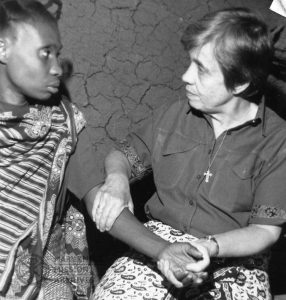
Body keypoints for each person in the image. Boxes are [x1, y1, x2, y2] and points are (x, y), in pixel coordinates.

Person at [90, 7, 286, 300]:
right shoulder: (174, 113)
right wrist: (116, 179)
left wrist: (208, 246)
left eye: (201, 69)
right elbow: (123, 155)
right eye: (189, 64)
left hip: (233, 260)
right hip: (158, 243)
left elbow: (265, 231)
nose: (185, 76)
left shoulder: (277, 140)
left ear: (240, 82)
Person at [0, 1, 104, 299]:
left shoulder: (61, 121)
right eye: (45, 53)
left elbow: (96, 194)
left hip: (44, 259)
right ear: (3, 49)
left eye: (57, 54)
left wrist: (163, 249)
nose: (57, 68)